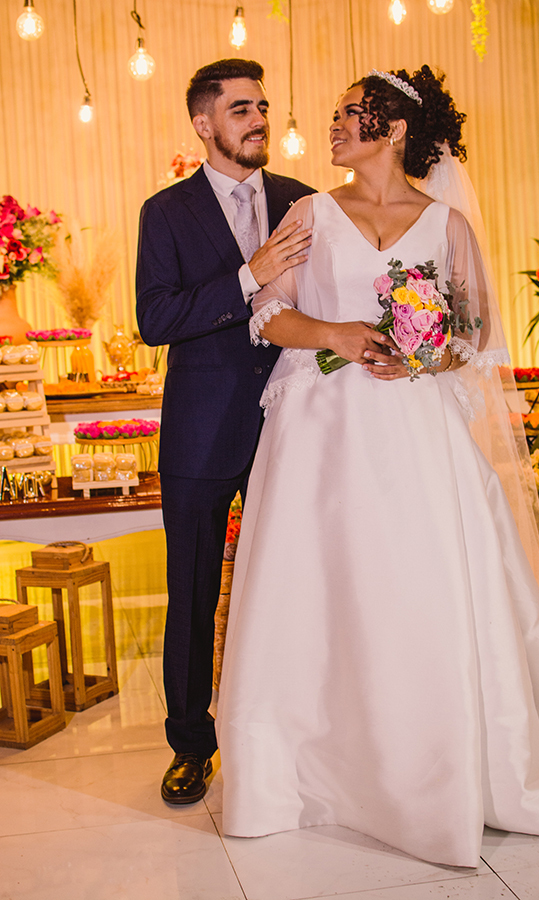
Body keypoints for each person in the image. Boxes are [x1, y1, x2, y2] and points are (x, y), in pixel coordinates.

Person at [216, 66, 539, 867]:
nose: (332, 126)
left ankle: (437, 761)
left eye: (349, 114)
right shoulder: (309, 213)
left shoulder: (446, 224)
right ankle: (308, 771)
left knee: (420, 581)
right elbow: (268, 313)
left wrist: (426, 354)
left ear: (392, 130)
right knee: (320, 586)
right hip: (321, 433)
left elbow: (474, 333)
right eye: (334, 115)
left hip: (416, 428)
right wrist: (337, 335)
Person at [136, 58, 315, 805]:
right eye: (241, 109)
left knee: (298, 583)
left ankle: (296, 735)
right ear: (204, 123)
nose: (259, 120)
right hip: (201, 433)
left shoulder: (303, 201)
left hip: (295, 426)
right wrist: (250, 274)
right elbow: (156, 319)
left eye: (262, 107)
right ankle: (189, 744)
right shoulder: (165, 212)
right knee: (192, 592)